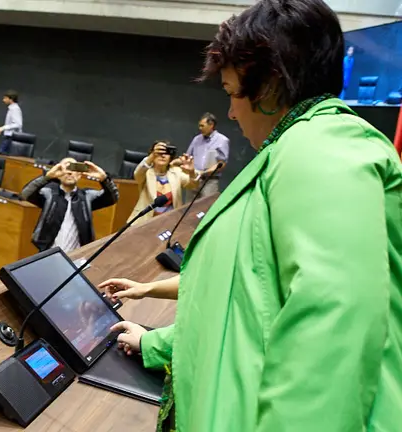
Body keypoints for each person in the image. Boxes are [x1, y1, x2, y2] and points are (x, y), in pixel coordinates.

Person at [101, 0, 402, 430]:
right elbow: (246, 305)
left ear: (269, 86)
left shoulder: (322, 144)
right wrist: (158, 343)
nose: (229, 112)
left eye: (230, 92)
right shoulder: (290, 152)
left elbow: (331, 331)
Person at [22, 158, 118, 253]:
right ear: (59, 173)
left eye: (74, 168)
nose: (70, 172)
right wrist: (47, 177)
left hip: (77, 257)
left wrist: (104, 178)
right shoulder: (49, 194)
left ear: (79, 175)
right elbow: (26, 193)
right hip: (48, 254)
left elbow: (113, 198)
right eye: (66, 168)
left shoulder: (87, 197)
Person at [128, 140, 199, 224]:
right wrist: (152, 155)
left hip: (171, 221)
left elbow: (193, 185)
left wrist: (191, 172)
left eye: (166, 153)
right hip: (145, 221)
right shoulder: (146, 172)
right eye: (159, 153)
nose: (163, 156)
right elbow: (138, 174)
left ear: (171, 157)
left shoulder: (176, 172)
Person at [186, 112, 229, 198]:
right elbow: (189, 156)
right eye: (199, 125)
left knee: (206, 207)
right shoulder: (197, 139)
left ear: (211, 125)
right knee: (189, 207)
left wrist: (203, 172)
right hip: (194, 179)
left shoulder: (222, 140)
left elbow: (221, 164)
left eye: (202, 126)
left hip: (210, 181)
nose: (200, 128)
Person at [0, 90, 23, 154]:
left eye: (5, 98)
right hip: (8, 138)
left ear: (11, 99)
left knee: (2, 157)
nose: (3, 100)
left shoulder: (15, 109)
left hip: (11, 138)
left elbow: (18, 124)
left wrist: (2, 128)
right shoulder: (11, 108)